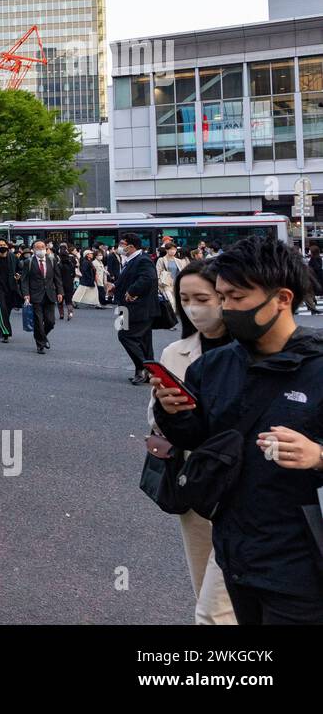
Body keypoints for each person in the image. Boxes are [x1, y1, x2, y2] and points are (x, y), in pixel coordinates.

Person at [153, 237, 323, 624]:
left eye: (237, 298)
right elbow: (195, 438)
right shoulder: (214, 366)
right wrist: (174, 413)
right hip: (236, 551)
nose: (226, 308)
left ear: (282, 298)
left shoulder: (318, 365)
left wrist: (318, 456)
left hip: (303, 563)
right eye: (223, 297)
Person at [145, 260, 236, 625]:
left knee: (216, 610)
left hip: (241, 489)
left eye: (202, 297)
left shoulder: (250, 351)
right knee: (204, 588)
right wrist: (169, 412)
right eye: (184, 299)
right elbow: (153, 420)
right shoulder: (175, 352)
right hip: (193, 481)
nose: (194, 307)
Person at [111, 232, 159, 385]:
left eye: (122, 244)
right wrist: (115, 287)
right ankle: (145, 372)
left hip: (140, 308)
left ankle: (146, 368)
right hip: (127, 307)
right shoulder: (130, 260)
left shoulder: (143, 260)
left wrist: (132, 291)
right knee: (144, 341)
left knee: (125, 336)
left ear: (131, 246)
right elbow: (128, 279)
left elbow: (148, 278)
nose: (120, 247)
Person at [56, 244, 78, 321]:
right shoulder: (71, 264)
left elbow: (56, 275)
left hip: (60, 284)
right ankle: (70, 312)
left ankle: (61, 314)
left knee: (60, 300)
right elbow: (74, 274)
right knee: (69, 300)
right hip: (69, 283)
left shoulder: (58, 265)